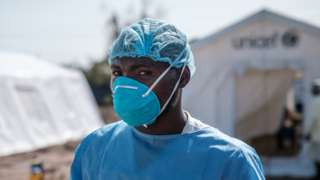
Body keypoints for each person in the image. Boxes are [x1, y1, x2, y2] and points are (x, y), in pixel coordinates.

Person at [70, 18, 265, 180]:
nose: (126, 84)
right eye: (117, 72)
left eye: (144, 72)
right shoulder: (96, 148)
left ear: (183, 77)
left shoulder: (229, 160)